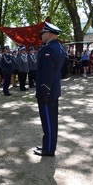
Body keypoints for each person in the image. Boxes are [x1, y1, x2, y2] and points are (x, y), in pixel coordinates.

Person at [33, 22, 65, 157]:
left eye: (43, 33)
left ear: (50, 34)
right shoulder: (58, 47)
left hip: (47, 91)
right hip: (53, 89)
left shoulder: (49, 49)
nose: (41, 35)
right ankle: (48, 145)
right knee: (51, 120)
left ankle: (49, 149)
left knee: (48, 121)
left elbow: (47, 73)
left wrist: (44, 91)